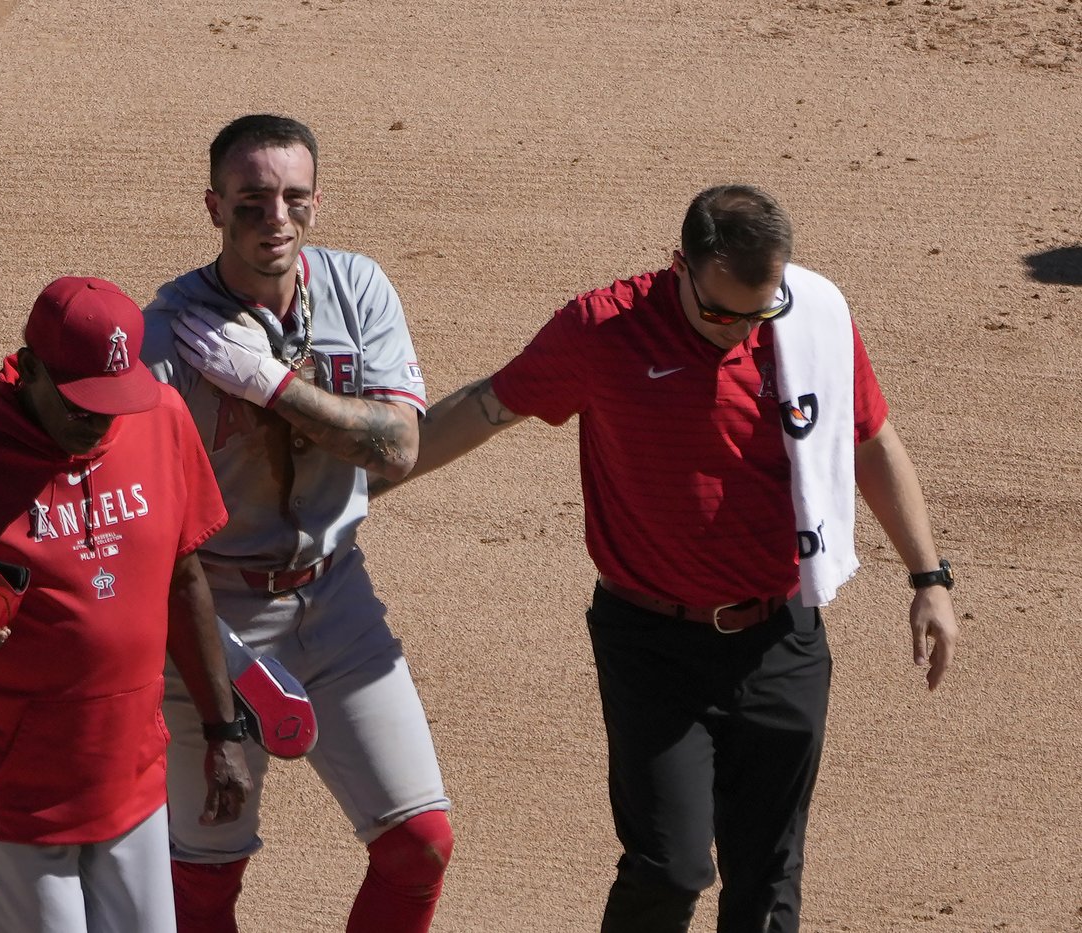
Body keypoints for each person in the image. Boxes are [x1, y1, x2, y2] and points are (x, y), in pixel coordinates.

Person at [378, 185, 961, 932]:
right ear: (678, 264)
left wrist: (928, 577)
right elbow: (488, 407)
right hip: (651, 642)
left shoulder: (812, 322)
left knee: (769, 873)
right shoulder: (603, 330)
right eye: (720, 312)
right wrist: (367, 481)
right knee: (670, 865)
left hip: (780, 635)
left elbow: (871, 438)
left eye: (759, 312)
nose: (738, 332)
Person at [139, 114, 454, 933]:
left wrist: (271, 387)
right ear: (213, 206)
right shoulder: (168, 333)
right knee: (205, 877)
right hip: (214, 616)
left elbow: (398, 446)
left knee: (419, 840)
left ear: (315, 203)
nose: (273, 217)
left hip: (338, 599)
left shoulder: (357, 286)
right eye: (250, 201)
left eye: (292, 198)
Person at [0, 275, 252, 933]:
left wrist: (222, 729)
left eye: (112, 401)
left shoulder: (161, 420)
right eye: (80, 404)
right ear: (28, 369)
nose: (99, 419)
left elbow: (184, 577)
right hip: (19, 793)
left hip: (132, 774)